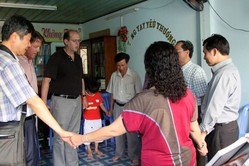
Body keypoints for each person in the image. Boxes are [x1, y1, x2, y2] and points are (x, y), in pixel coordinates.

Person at [70, 41, 208, 165]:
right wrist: (202, 145)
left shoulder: (143, 100)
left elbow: (113, 129)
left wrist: (82, 138)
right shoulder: (187, 94)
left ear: (150, 68)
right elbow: (194, 129)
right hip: (187, 159)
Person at [0, 14, 74, 164]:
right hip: (9, 131)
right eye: (28, 40)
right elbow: (33, 101)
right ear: (15, 37)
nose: (28, 45)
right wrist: (60, 131)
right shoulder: (9, 63)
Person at [41, 29, 87, 166]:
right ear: (66, 41)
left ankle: (72, 164)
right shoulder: (57, 57)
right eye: (74, 40)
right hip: (61, 102)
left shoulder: (78, 58)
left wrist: (83, 96)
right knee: (61, 136)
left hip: (76, 101)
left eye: (79, 40)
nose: (77, 43)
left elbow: (81, 79)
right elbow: (46, 80)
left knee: (73, 135)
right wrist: (43, 103)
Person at [200, 34, 241, 161]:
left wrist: (202, 133)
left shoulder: (224, 74)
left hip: (220, 131)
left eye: (205, 52)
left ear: (214, 51)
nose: (204, 57)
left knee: (218, 162)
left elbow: (214, 108)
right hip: (227, 129)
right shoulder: (228, 70)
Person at [175, 40, 207, 166]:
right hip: (180, 114)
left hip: (195, 113)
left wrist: (202, 119)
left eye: (177, 52)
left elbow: (203, 97)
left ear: (187, 52)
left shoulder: (196, 71)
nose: (174, 55)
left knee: (197, 145)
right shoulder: (177, 71)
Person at [106, 52, 142, 165]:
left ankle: (134, 156)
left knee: (131, 133)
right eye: (118, 66)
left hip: (130, 107)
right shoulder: (113, 76)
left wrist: (138, 111)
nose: (120, 68)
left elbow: (138, 94)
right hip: (117, 106)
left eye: (122, 65)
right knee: (117, 131)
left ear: (127, 63)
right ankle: (119, 153)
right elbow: (111, 94)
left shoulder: (134, 76)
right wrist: (111, 108)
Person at [18, 31, 45, 166]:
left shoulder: (30, 62)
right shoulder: (17, 63)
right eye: (35, 46)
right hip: (22, 116)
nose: (37, 50)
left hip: (31, 113)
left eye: (39, 47)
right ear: (27, 44)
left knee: (33, 153)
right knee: (26, 155)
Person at [83, 80, 109, 158]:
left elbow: (101, 105)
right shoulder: (84, 96)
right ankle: (89, 149)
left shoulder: (97, 94)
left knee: (98, 133)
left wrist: (106, 111)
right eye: (92, 93)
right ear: (88, 89)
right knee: (87, 133)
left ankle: (96, 149)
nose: (93, 94)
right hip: (88, 119)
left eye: (95, 92)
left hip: (97, 118)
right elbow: (82, 106)